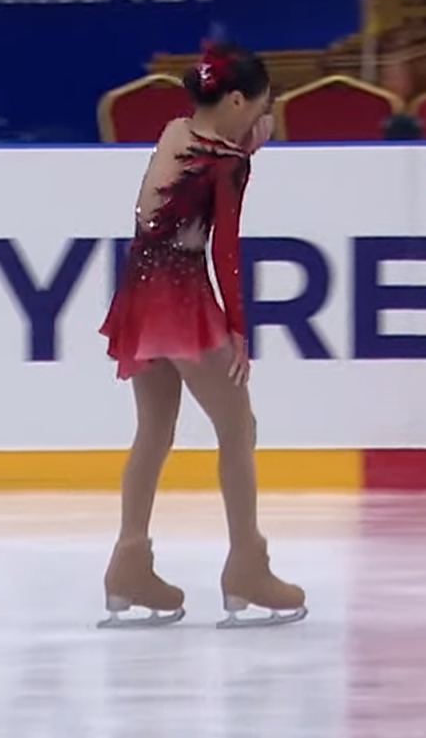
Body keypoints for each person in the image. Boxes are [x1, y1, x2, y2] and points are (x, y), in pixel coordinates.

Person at [98, 42, 306, 628]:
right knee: (238, 429)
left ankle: (128, 564)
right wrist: (237, 327)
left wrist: (241, 149)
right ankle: (247, 567)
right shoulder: (229, 163)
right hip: (180, 299)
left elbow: (165, 209)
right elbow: (226, 251)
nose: (264, 116)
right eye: (261, 105)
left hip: (138, 293)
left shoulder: (174, 133)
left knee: (153, 432)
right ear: (237, 100)